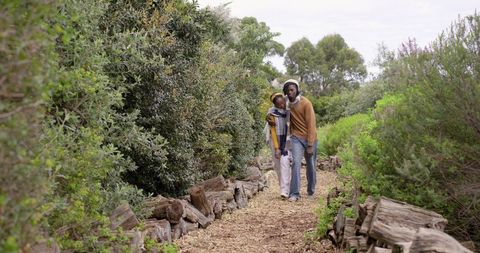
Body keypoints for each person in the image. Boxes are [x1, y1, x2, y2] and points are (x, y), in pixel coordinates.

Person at [268, 79, 317, 202]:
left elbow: (312, 124)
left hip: (310, 138)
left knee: (310, 165)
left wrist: (310, 144)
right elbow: (274, 107)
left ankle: (311, 190)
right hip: (296, 137)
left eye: (292, 90)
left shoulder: (306, 103)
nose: (290, 93)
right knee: (295, 162)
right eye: (287, 91)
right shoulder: (286, 102)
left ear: (297, 90)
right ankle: (294, 193)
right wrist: (268, 116)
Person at [264, 92, 291, 199]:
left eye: (282, 103)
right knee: (278, 164)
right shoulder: (272, 113)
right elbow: (273, 132)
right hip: (275, 139)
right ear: (275, 105)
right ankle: (283, 188)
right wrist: (276, 148)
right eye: (279, 104)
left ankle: (287, 189)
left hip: (288, 139)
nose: (282, 106)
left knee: (287, 162)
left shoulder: (289, 110)